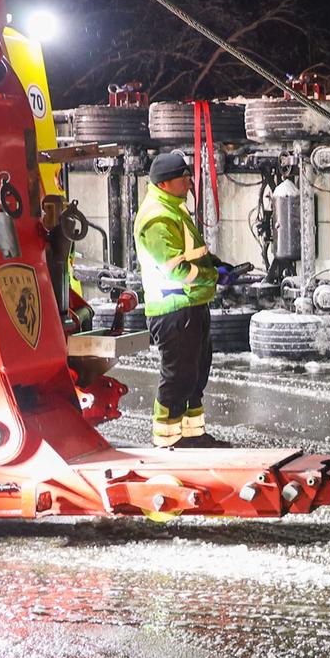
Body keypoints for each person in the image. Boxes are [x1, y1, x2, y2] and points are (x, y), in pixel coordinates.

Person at [135, 151, 218, 448]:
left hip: (190, 305)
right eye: (185, 178)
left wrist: (216, 264)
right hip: (173, 309)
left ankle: (194, 435)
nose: (189, 183)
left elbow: (188, 252)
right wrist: (212, 276)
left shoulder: (172, 207)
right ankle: (168, 441)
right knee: (177, 378)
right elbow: (176, 269)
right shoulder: (157, 217)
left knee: (195, 376)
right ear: (166, 183)